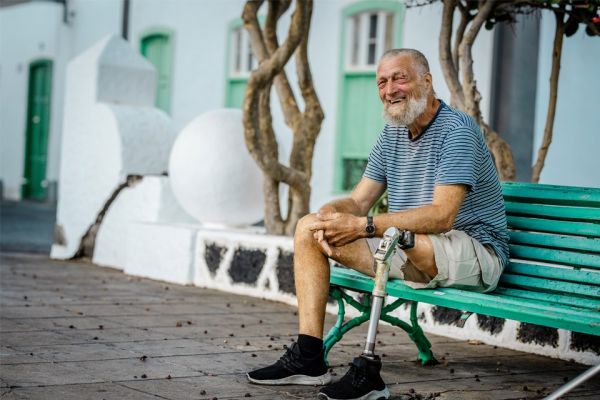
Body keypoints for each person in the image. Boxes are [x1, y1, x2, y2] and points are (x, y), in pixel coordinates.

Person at [246, 48, 509, 400]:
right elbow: (357, 202)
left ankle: (368, 370)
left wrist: (364, 226)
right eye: (382, 82)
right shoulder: (392, 134)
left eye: (400, 77)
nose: (390, 90)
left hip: (474, 252)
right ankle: (308, 357)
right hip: (407, 244)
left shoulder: (456, 131)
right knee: (309, 227)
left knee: (405, 239)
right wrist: (328, 215)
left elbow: (442, 215)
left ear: (427, 82)